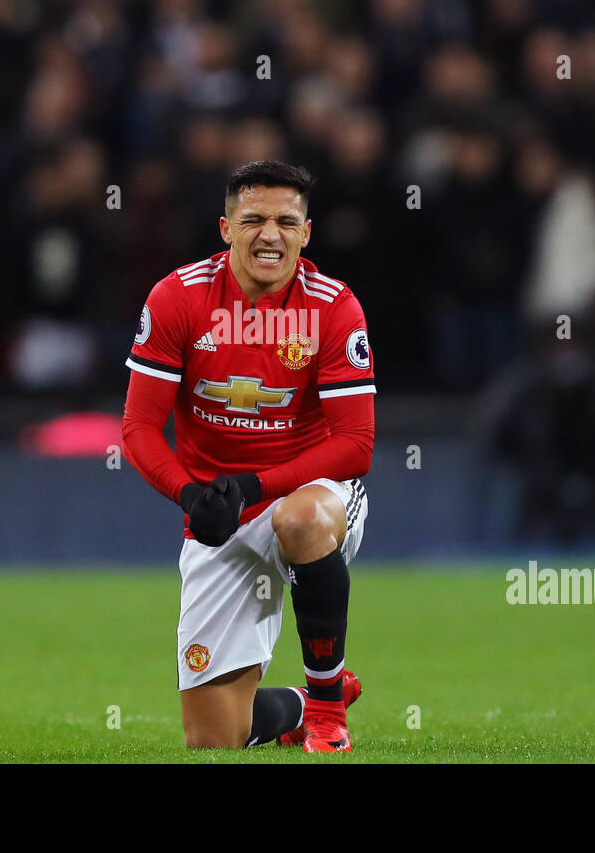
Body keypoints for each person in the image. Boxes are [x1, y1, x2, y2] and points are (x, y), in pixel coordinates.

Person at [120, 161, 375, 751]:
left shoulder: (334, 308)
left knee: (301, 520)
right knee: (214, 739)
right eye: (253, 219)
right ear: (226, 228)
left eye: (287, 221)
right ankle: (302, 702)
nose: (270, 234)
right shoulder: (177, 299)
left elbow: (355, 446)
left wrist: (257, 486)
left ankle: (327, 712)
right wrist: (190, 495)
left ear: (306, 233)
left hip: (315, 490)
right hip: (220, 512)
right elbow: (136, 428)